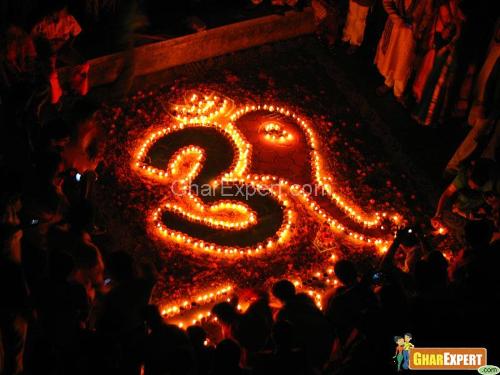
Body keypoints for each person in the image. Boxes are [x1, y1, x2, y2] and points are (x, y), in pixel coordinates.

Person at [412, 0, 465, 126]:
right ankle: (421, 110)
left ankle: (425, 115)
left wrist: (445, 48)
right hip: (437, 44)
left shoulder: (459, 15)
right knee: (429, 79)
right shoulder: (448, 8)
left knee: (434, 84)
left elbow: (458, 33)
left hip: (444, 52)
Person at [374, 0, 433, 103]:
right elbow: (386, 2)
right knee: (391, 56)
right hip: (394, 28)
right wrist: (396, 18)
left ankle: (399, 91)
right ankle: (388, 83)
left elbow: (428, 15)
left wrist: (418, 29)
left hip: (409, 35)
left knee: (403, 61)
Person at [432, 159, 499, 229]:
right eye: (472, 185)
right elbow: (446, 193)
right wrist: (437, 214)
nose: (472, 187)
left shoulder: (491, 183)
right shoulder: (463, 176)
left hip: (475, 203)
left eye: (476, 187)